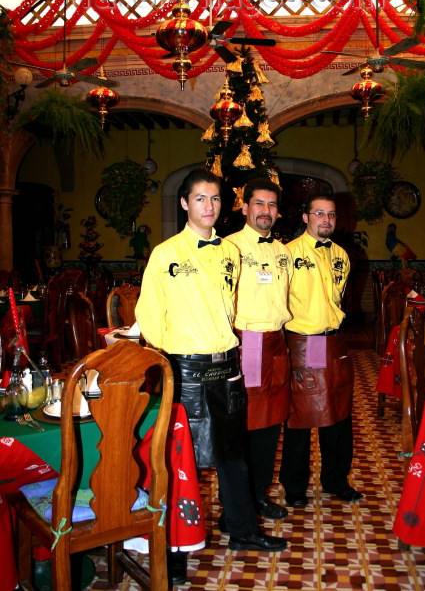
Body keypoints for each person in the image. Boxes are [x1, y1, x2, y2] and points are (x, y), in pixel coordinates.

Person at [136, 168, 287, 585]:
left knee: (233, 455)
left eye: (215, 199)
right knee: (179, 462)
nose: (209, 206)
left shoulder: (228, 254)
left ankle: (242, 530)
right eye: (200, 198)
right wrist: (173, 358)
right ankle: (174, 551)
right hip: (185, 368)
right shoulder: (166, 254)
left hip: (227, 364)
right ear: (185, 204)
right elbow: (149, 317)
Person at [279, 193, 362, 506]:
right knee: (302, 414)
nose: (326, 220)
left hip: (336, 340)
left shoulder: (341, 254)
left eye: (331, 215)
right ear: (305, 217)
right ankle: (295, 486)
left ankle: (336, 480)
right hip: (307, 342)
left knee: (339, 412)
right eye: (319, 214)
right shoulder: (288, 254)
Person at [227, 178, 292, 521]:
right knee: (246, 425)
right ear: (245, 207)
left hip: (277, 341)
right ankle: (239, 501)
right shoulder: (230, 248)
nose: (266, 211)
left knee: (271, 426)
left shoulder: (282, 252)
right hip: (247, 341)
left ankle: (259, 494)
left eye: (271, 205)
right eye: (259, 204)